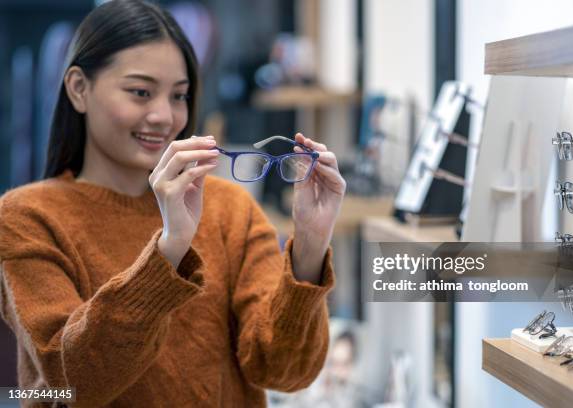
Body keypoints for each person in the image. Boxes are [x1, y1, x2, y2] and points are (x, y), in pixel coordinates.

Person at [0, 0, 345, 406]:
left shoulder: (230, 208)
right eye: (140, 92)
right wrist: (169, 250)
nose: (165, 116)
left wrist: (309, 246)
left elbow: (283, 371)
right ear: (79, 88)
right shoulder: (26, 217)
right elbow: (71, 381)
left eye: (179, 96)